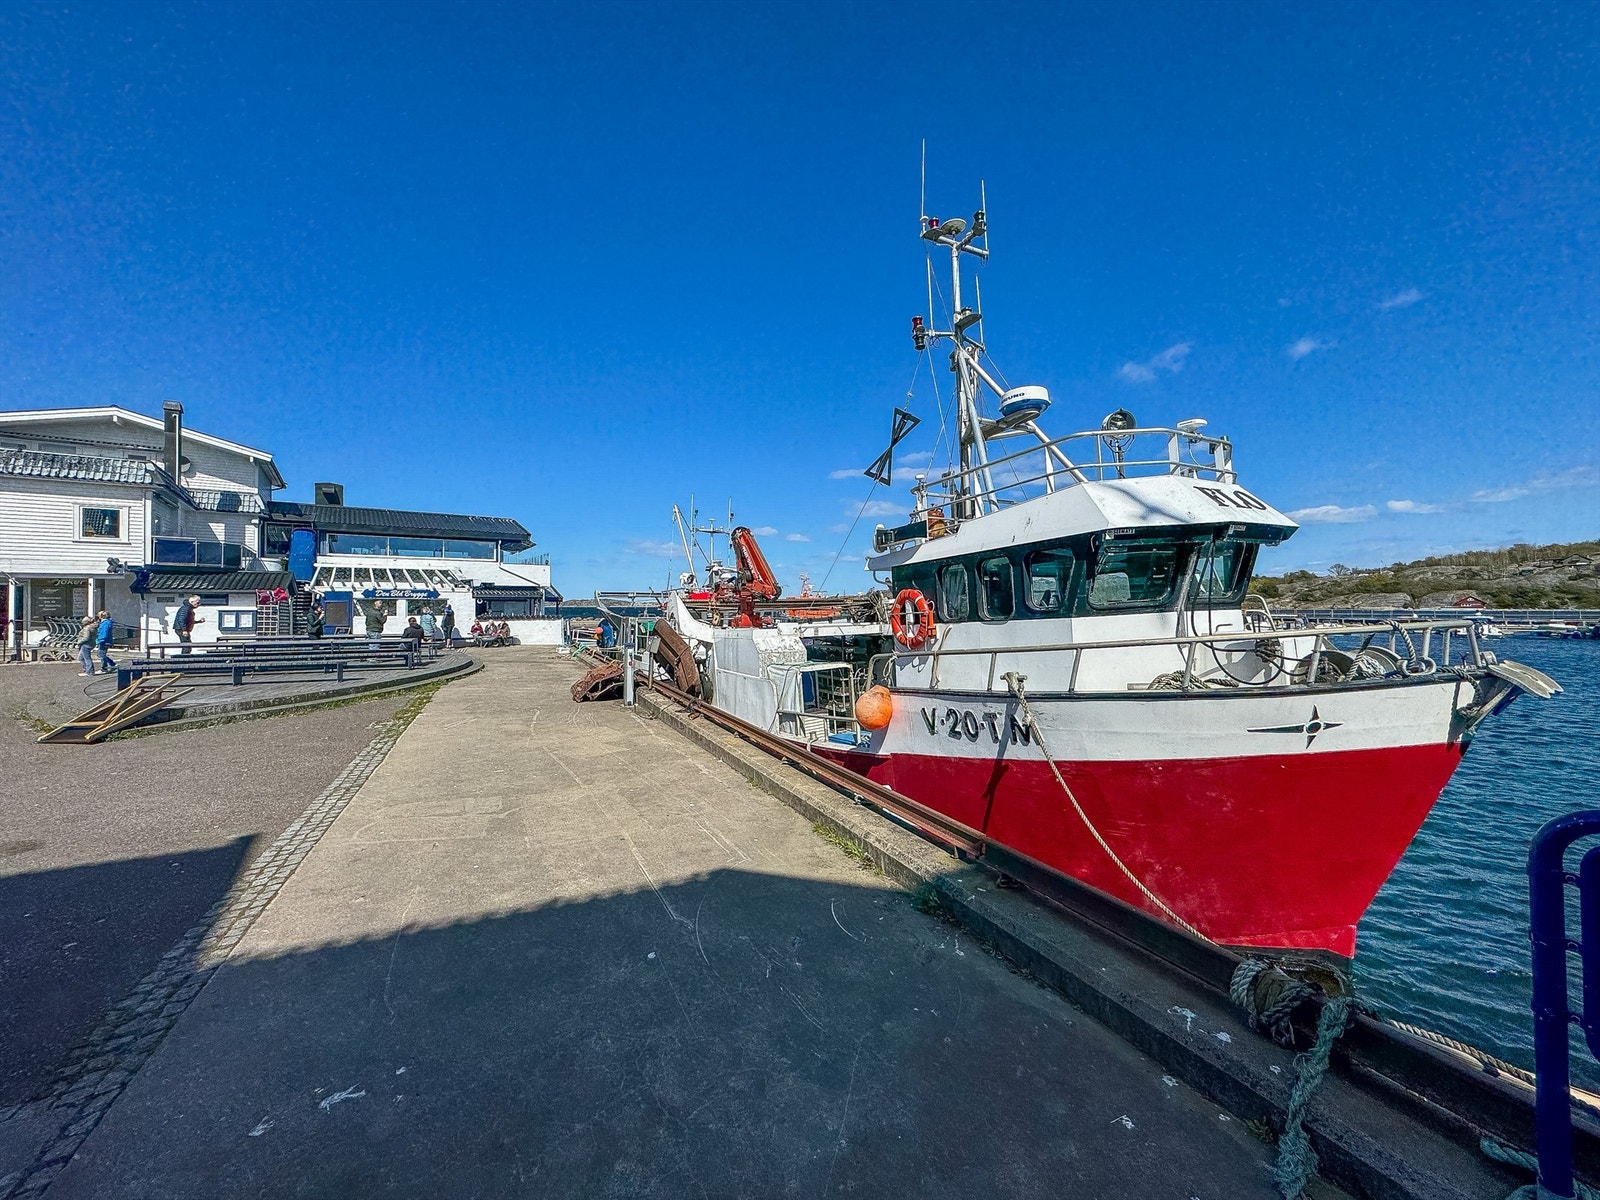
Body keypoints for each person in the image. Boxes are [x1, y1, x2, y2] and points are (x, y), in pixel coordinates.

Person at [94, 609, 116, 675]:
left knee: (101, 654)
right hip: (105, 641)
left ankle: (104, 668)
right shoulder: (107, 623)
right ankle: (112, 664)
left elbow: (104, 633)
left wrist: (100, 640)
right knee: (101, 654)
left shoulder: (105, 623)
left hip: (104, 641)